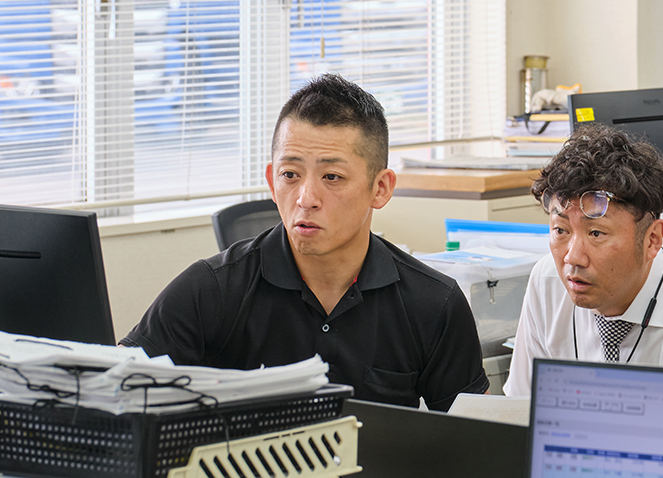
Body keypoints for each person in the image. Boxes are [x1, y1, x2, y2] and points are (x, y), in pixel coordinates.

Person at [122, 74, 489, 410]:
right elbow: (116, 391)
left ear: (380, 188)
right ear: (271, 181)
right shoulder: (211, 290)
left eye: (332, 176)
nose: (306, 198)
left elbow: (474, 442)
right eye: (290, 174)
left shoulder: (434, 303)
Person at [503, 123, 663, 396]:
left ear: (652, 240)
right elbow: (520, 409)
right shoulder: (547, 283)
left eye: (596, 233)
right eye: (560, 230)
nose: (572, 258)